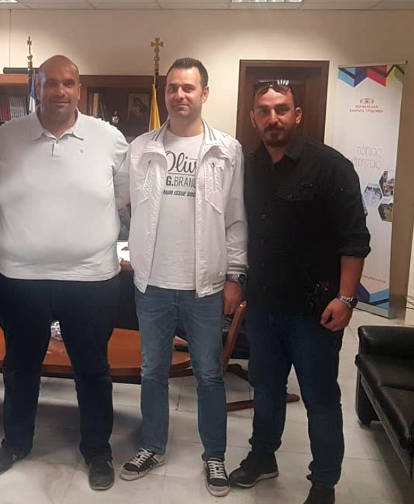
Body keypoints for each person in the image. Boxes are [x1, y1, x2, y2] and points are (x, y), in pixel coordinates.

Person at [0, 55, 128, 491]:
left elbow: (122, 198)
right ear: (36, 88)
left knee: (93, 370)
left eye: (68, 83)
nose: (59, 91)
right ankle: (15, 442)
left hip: (91, 278)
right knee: (19, 366)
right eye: (50, 83)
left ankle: (97, 451)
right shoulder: (5, 138)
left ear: (79, 89)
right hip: (19, 276)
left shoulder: (109, 140)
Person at [228, 79, 370, 504]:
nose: (273, 118)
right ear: (254, 118)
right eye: (264, 111)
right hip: (264, 305)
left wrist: (346, 299)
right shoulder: (247, 168)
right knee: (266, 389)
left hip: (315, 310)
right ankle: (262, 458)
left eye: (282, 109)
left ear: (297, 115)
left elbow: (355, 239)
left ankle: (323, 482)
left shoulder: (331, 167)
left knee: (320, 398)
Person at [116, 57, 246, 497]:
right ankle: (152, 446)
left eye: (188, 87)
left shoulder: (226, 150)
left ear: (204, 93)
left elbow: (236, 219)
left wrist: (235, 275)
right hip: (152, 282)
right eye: (172, 87)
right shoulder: (141, 148)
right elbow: (116, 200)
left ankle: (215, 455)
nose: (179, 95)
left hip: (204, 285)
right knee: (152, 371)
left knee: (208, 374)